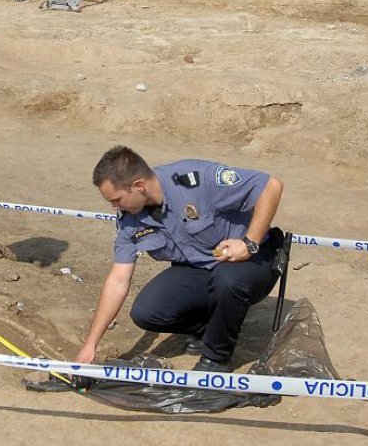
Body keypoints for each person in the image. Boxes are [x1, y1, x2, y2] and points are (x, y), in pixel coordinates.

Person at [75, 146, 284, 373]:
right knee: (147, 311)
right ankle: (212, 327)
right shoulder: (129, 221)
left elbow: (271, 185)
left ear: (139, 186)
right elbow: (118, 280)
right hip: (200, 267)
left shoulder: (195, 180)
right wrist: (90, 345)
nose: (114, 207)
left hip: (254, 259)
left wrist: (249, 243)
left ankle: (216, 360)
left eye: (116, 199)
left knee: (227, 281)